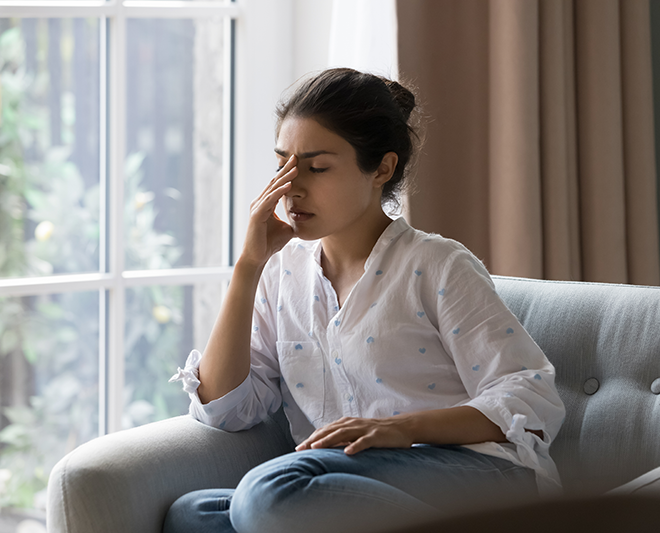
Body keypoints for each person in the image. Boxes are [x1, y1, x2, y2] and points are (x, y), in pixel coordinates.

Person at [166, 68, 565, 533]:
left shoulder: (436, 265)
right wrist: (248, 268)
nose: (291, 188)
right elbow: (225, 409)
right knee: (192, 515)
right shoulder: (281, 273)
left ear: (381, 168)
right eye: (283, 166)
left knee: (267, 494)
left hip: (474, 474)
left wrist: (404, 430)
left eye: (316, 168)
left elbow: (530, 398)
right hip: (348, 480)